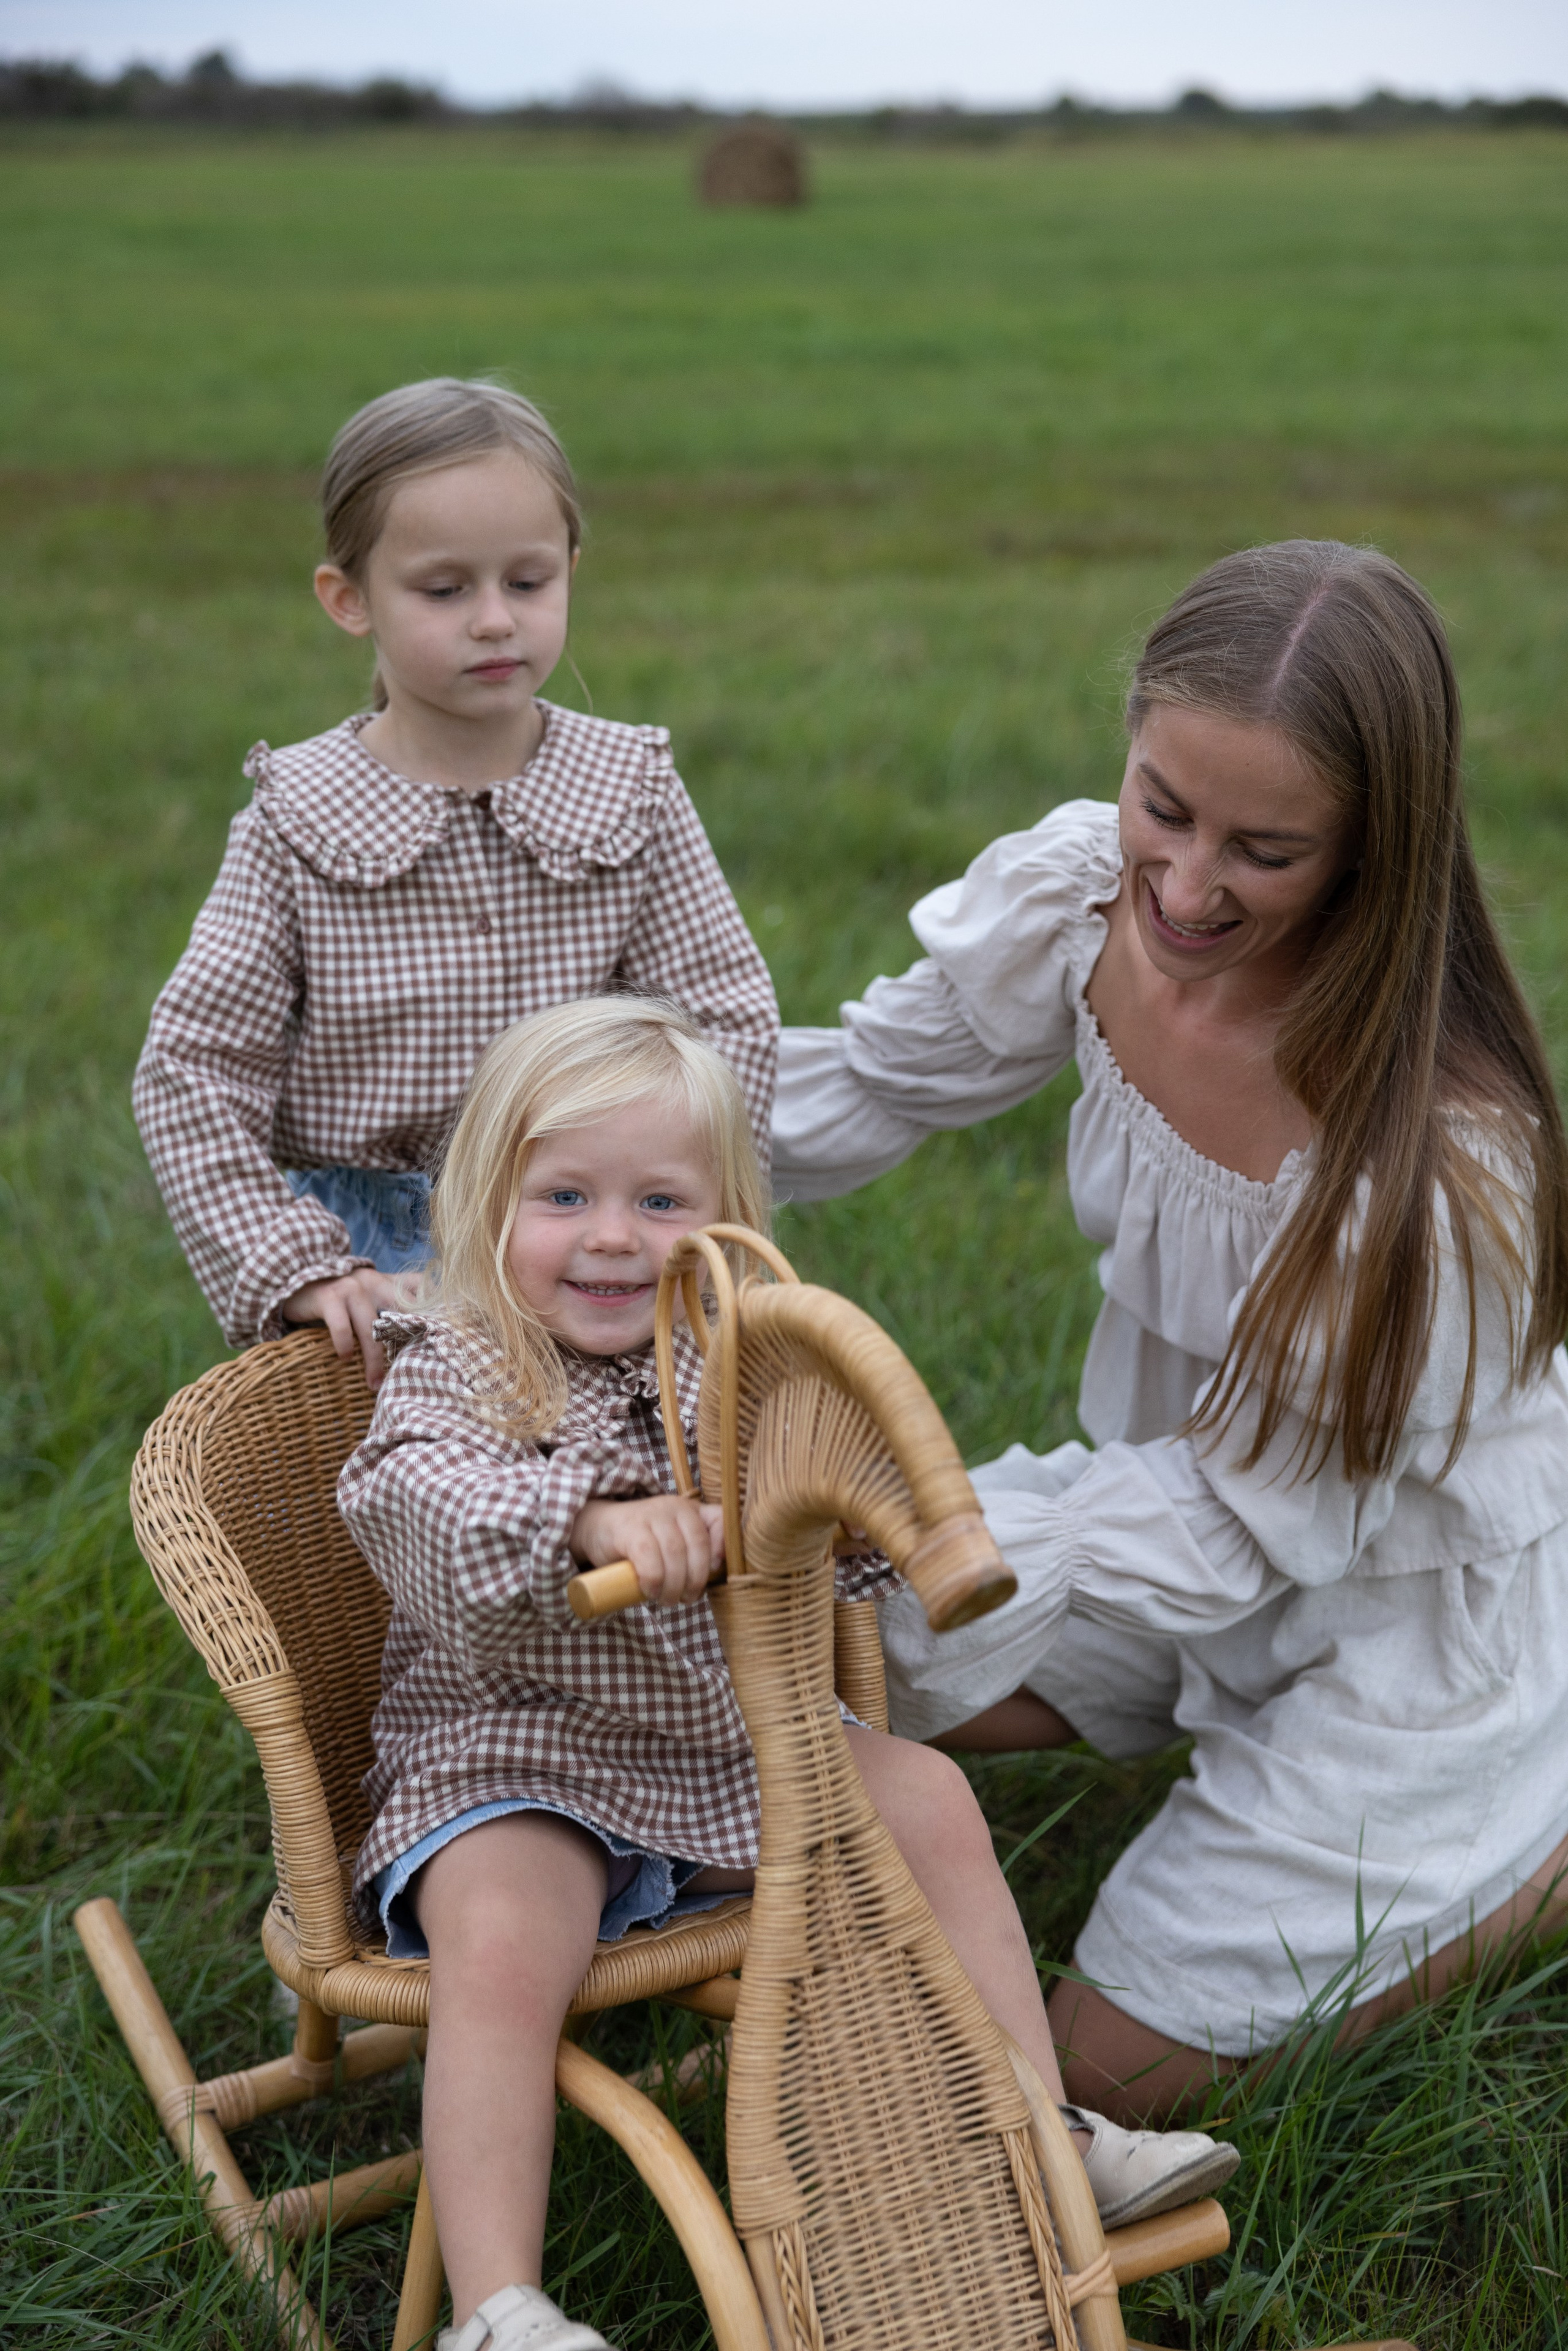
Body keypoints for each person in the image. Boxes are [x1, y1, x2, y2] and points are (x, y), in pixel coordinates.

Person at [774, 540, 1568, 2123]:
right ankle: (1203, 1718)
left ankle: (1527, 1840)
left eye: (1265, 851)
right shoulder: (1084, 891)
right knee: (801, 1633)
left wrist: (943, 1537)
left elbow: (1249, 1521)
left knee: (1104, 2066)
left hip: (1395, 1602)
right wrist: (591, 1156)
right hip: (1178, 1502)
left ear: (1374, 852)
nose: (1189, 887)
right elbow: (867, 1081)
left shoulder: (1437, 1163)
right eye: (1166, 806)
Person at [337, 995, 1238, 2351]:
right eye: (564, 1193)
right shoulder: (458, 1370)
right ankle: (496, 2303)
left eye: (657, 1199)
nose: (609, 1235)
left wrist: (864, 1499)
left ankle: (1032, 2130)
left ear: (720, 1219)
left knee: (925, 1793)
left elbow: (828, 1505)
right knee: (505, 1935)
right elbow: (417, 1506)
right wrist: (588, 1515)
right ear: (486, 1204)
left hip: (724, 1747)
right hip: (515, 1755)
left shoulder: (726, 1360)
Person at [134, 376, 777, 1384]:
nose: (493, 621)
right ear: (350, 600)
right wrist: (298, 1263)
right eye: (445, 590)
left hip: (591, 1230)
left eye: (527, 583)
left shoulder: (631, 789)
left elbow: (724, 1014)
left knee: (650, 1490)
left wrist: (673, 1199)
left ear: (571, 570)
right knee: (417, 1495)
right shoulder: (299, 818)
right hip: (378, 1259)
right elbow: (193, 1067)